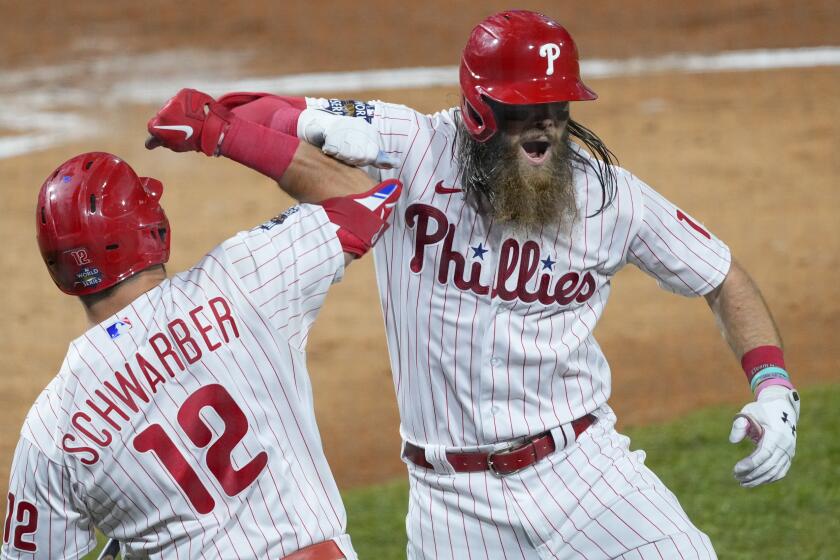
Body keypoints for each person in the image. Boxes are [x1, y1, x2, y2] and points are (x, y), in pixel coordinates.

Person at [149, 10, 800, 559]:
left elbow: (721, 276)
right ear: (479, 109)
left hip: (586, 474)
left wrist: (773, 389)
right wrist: (242, 128)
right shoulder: (412, 146)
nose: (544, 124)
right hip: (452, 509)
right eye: (524, 110)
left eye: (555, 106)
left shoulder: (608, 199)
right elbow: (250, 110)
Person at [1, 94, 402, 559]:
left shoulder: (51, 431)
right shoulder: (242, 280)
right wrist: (224, 133)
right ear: (150, 226)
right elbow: (363, 197)